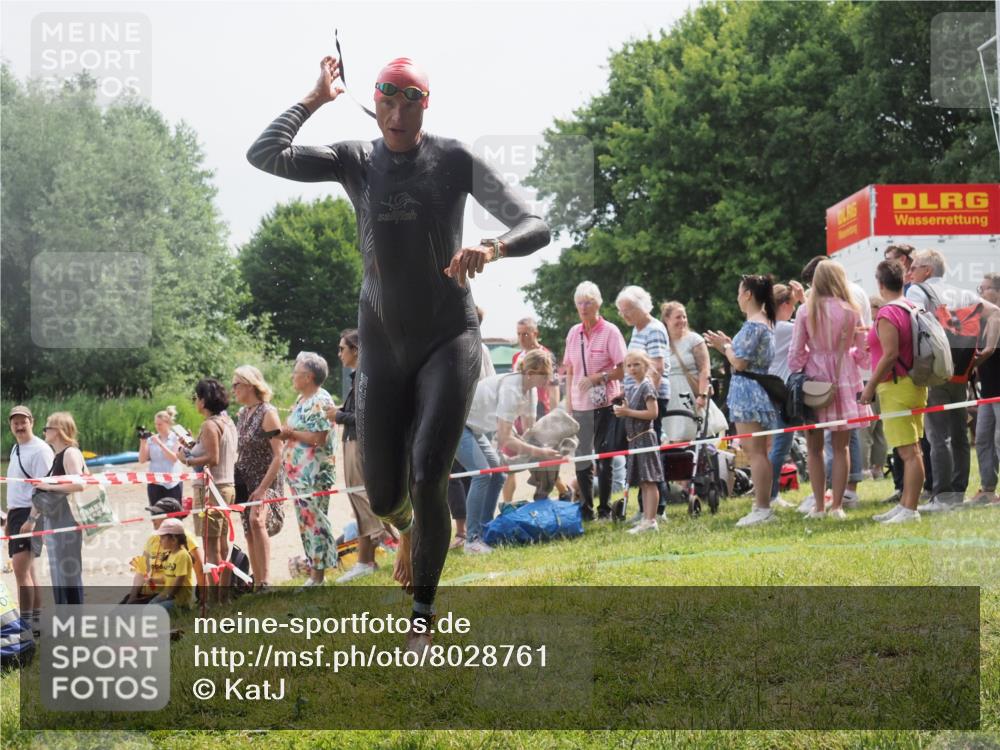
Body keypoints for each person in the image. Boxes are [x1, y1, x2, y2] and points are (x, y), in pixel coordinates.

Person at [248, 54, 549, 645]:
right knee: (385, 495)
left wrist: (493, 247)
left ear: (424, 105)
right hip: (383, 343)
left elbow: (535, 223)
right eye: (385, 99)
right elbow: (265, 154)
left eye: (407, 101)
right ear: (377, 101)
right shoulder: (355, 160)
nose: (394, 112)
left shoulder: (453, 158)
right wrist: (315, 98)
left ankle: (422, 619)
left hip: (448, 337)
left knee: (429, 471)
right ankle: (406, 529)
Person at [906, 249, 1000, 510]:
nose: (909, 272)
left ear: (927, 270)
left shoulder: (917, 292)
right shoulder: (964, 294)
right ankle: (957, 492)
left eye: (914, 267)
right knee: (959, 435)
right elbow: (996, 314)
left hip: (934, 371)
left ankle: (942, 497)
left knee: (938, 436)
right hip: (961, 371)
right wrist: (988, 349)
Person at [788, 261, 872, 519]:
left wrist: (806, 362)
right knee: (841, 447)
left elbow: (795, 354)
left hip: (815, 381)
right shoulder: (851, 310)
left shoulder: (805, 310)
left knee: (814, 448)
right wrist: (849, 356)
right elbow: (864, 353)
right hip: (844, 376)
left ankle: (819, 506)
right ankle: (837, 506)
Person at [458, 350, 561, 553]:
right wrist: (539, 453)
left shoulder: (530, 390)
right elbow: (506, 438)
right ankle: (472, 540)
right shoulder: (511, 389)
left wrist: (547, 446)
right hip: (458, 425)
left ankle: (485, 530)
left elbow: (530, 431)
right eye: (544, 375)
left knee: (499, 474)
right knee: (482, 475)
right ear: (530, 373)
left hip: (475, 428)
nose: (548, 379)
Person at [704, 274, 778, 527]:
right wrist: (728, 344)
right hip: (758, 389)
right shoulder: (765, 322)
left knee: (755, 452)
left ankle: (763, 507)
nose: (737, 298)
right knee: (759, 452)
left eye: (739, 292)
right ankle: (762, 505)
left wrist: (724, 347)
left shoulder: (754, 325)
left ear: (747, 294)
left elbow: (740, 362)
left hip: (748, 391)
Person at [860, 261, 928, 524]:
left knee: (909, 452)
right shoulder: (910, 306)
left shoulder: (888, 312)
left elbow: (890, 355)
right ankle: (905, 505)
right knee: (912, 450)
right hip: (913, 383)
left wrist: (869, 387)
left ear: (880, 283)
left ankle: (910, 510)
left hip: (896, 385)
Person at [326, 330, 389, 583]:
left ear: (356, 350)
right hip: (353, 442)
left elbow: (368, 418)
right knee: (360, 499)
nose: (339, 354)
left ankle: (370, 553)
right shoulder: (361, 378)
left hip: (359, 444)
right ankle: (366, 560)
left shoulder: (366, 378)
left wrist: (338, 416)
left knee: (361, 498)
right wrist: (341, 412)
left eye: (343, 348)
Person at [563, 281, 627, 521]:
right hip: (580, 406)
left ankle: (605, 509)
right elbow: (570, 370)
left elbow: (624, 369)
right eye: (579, 303)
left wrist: (600, 377)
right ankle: (585, 509)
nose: (583, 307)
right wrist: (569, 403)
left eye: (588, 302)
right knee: (582, 460)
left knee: (604, 457)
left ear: (598, 304)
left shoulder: (610, 331)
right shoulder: (573, 333)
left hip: (605, 405)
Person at [279, 352, 339, 587]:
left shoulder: (320, 400)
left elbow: (318, 438)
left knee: (315, 522)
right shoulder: (301, 399)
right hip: (298, 475)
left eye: (296, 372)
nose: (292, 376)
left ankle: (318, 577)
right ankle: (313, 571)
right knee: (306, 523)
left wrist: (291, 433)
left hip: (313, 475)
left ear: (309, 377)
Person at [177, 378, 238, 605]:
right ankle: (224, 597)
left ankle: (213, 600)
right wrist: (193, 446)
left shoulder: (209, 425)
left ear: (203, 401)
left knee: (211, 548)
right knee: (222, 544)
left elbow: (212, 458)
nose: (196, 402)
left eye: (196, 397)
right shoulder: (227, 422)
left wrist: (186, 458)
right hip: (226, 485)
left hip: (210, 489)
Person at [22, 412, 86, 605]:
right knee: (59, 571)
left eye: (47, 428)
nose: (44, 432)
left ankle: (73, 616)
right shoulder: (59, 455)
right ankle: (66, 614)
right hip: (56, 519)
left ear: (58, 431)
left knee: (67, 571)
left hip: (66, 520)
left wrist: (49, 486)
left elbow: (80, 484)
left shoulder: (70, 453)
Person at [617, 287, 671, 515]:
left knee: (649, 454)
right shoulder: (637, 329)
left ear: (642, 307)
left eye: (628, 310)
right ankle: (644, 509)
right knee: (640, 455)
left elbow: (656, 368)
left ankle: (657, 510)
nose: (624, 315)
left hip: (649, 400)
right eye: (621, 311)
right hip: (636, 399)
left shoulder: (654, 329)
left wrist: (645, 399)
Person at [232, 365, 284, 593]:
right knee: (248, 529)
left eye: (236, 384)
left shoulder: (268, 413)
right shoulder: (242, 414)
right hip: (245, 481)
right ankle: (258, 582)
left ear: (249, 385)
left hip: (267, 480)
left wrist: (263, 488)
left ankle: (265, 581)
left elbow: (279, 455)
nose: (233, 389)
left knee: (257, 521)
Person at [502, 317, 563, 505]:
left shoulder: (546, 354)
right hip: (518, 413)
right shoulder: (517, 357)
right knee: (509, 462)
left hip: (540, 410)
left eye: (526, 334)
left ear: (535, 333)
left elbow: (554, 387)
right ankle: (507, 505)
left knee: (541, 461)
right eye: (519, 334)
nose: (522, 338)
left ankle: (562, 492)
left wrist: (553, 416)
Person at [5, 406, 54, 634]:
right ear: (10, 425)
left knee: (20, 572)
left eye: (23, 421)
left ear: (32, 422)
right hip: (16, 514)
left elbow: (45, 488)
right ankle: (35, 623)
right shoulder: (16, 448)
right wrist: (9, 518)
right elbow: (16, 486)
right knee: (29, 571)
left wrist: (32, 519)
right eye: (15, 422)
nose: (19, 426)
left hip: (30, 513)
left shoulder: (41, 450)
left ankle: (25, 626)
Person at [614, 351, 665, 534]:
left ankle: (651, 521)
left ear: (646, 365)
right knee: (644, 481)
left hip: (645, 438)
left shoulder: (647, 386)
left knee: (649, 480)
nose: (632, 368)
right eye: (629, 365)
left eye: (636, 364)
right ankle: (646, 518)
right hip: (635, 440)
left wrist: (628, 412)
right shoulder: (635, 387)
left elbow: (653, 413)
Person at [126, 502, 203, 607]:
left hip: (168, 595)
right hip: (151, 592)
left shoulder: (184, 542)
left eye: (157, 515)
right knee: (120, 610)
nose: (152, 519)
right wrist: (133, 596)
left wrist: (203, 599)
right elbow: (142, 570)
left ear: (170, 518)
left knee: (146, 610)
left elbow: (199, 570)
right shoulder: (153, 539)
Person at [765, 284, 798, 508]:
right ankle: (770, 494)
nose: (794, 310)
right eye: (793, 305)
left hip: (770, 390)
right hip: (782, 392)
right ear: (785, 305)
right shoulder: (785, 328)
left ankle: (768, 492)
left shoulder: (766, 327)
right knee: (781, 446)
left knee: (775, 445)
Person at [969, 273, 1000, 505]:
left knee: (999, 440)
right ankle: (988, 489)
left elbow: (989, 351)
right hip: (987, 392)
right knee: (982, 439)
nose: (981, 292)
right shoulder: (983, 320)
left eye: (986, 288)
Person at [138, 406, 184, 505]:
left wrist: (160, 443)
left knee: (174, 512)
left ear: (167, 424)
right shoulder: (151, 439)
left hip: (173, 483)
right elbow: (142, 460)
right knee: (156, 512)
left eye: (160, 424)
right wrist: (143, 442)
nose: (157, 427)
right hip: (155, 482)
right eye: (156, 424)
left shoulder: (176, 438)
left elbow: (173, 458)